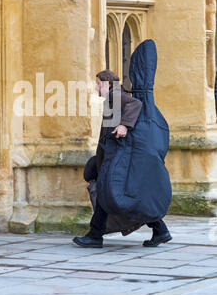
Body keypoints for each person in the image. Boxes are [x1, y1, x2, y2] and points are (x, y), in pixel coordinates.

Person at [73, 69, 172, 249]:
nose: (96, 87)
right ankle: (160, 230)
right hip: (111, 156)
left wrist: (124, 126)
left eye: (98, 83)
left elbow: (134, 105)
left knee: (106, 194)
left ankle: (95, 235)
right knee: (110, 194)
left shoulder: (115, 95)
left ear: (106, 83)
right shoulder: (114, 96)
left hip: (116, 158)